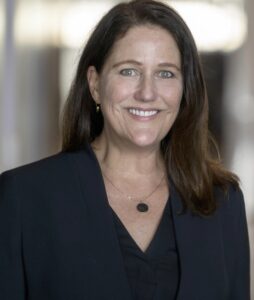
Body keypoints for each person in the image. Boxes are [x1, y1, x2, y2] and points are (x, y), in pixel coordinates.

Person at [0, 0, 250, 299]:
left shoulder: (221, 201)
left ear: (185, 90)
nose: (147, 93)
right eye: (129, 71)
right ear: (94, 84)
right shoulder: (24, 197)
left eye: (166, 73)